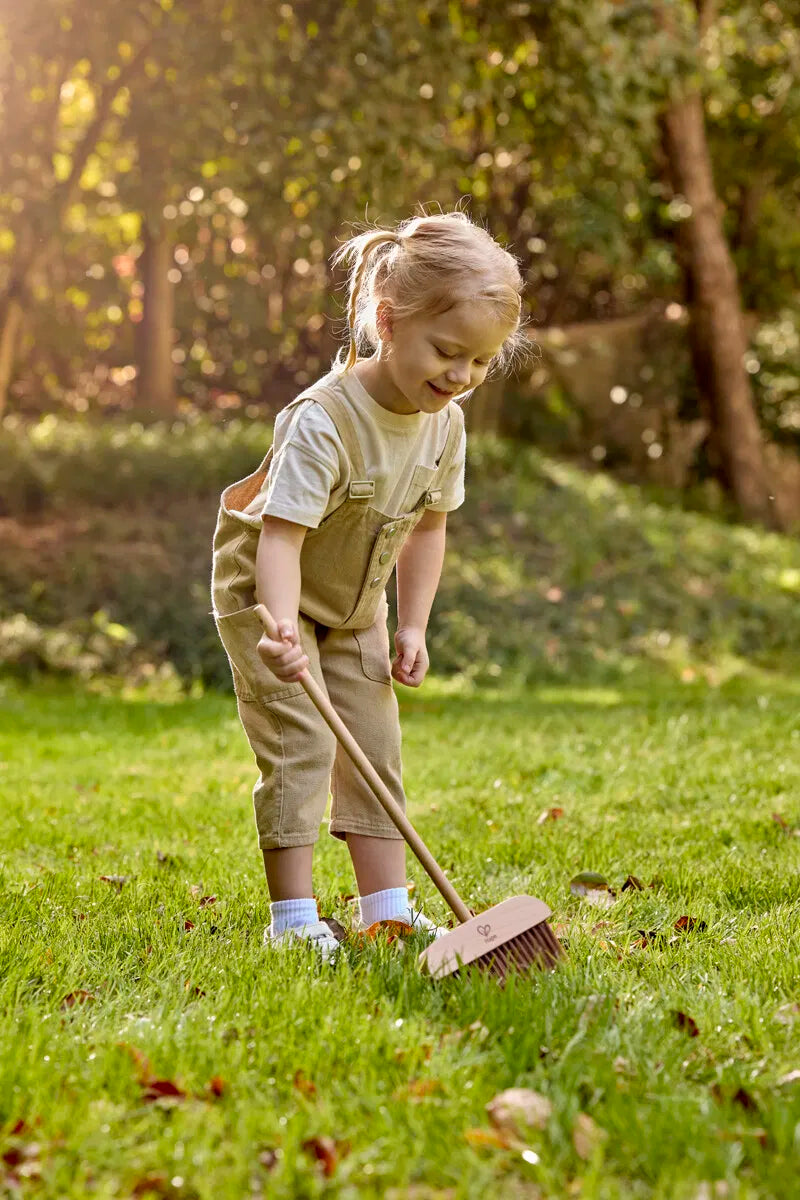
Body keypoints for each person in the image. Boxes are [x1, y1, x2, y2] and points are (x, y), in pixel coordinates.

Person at [211, 209, 527, 960]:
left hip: (357, 604)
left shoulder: (444, 424)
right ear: (387, 322)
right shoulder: (324, 422)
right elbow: (280, 537)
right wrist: (280, 629)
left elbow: (428, 527)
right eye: (448, 352)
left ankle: (386, 911)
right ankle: (292, 922)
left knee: (373, 744)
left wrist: (412, 624)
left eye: (480, 364)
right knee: (301, 744)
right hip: (271, 593)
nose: (460, 377)